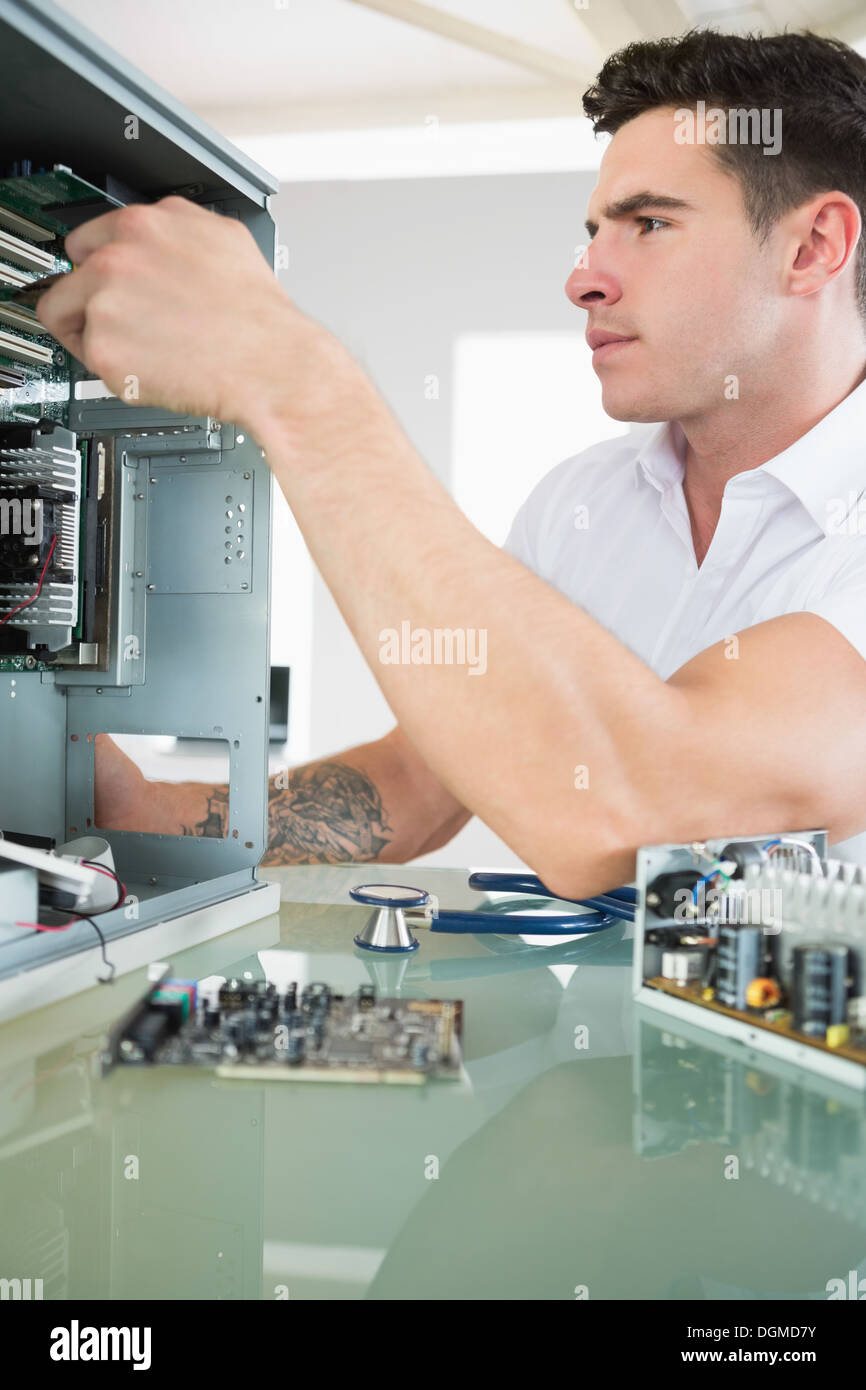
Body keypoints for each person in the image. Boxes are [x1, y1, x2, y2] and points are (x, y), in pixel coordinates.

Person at [45, 28, 866, 896]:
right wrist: (129, 808)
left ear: (812, 248)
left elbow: (641, 808)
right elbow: (427, 780)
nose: (583, 279)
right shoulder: (585, 502)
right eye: (595, 231)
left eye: (650, 223)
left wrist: (294, 381)